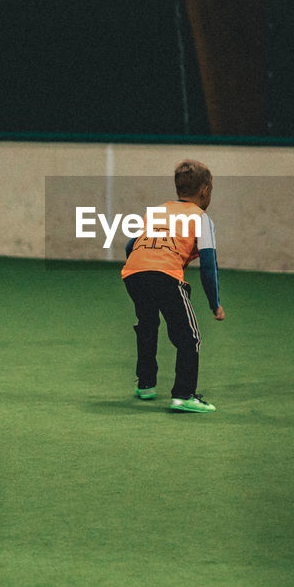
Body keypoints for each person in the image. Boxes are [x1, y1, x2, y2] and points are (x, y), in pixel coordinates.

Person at [121, 160, 225, 413]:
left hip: (134, 273)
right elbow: (209, 265)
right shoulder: (201, 218)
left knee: (147, 325)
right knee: (189, 337)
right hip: (166, 275)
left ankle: (146, 384)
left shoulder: (156, 211)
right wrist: (215, 304)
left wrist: (143, 267)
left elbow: (130, 245)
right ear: (205, 191)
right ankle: (184, 395)